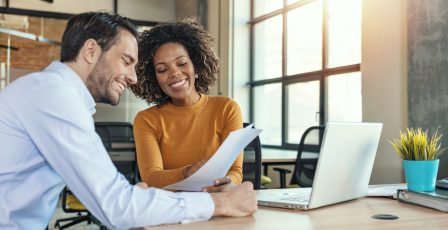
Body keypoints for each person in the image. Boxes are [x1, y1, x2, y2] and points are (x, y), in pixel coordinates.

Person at [0, 12, 257, 230]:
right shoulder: (53, 96)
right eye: (126, 61)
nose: (133, 78)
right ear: (91, 51)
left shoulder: (52, 93)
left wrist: (140, 200)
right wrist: (220, 204)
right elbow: (115, 207)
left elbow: (115, 200)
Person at [131, 20, 243, 192]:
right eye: (162, 70)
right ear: (154, 79)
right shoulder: (146, 120)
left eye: (181, 63)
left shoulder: (227, 108)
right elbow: (151, 177)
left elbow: (235, 171)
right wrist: (188, 172)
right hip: (171, 207)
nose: (174, 73)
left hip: (216, 201)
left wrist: (228, 183)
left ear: (196, 66)